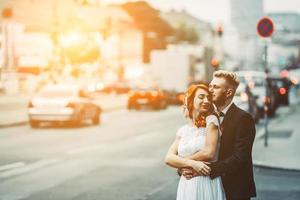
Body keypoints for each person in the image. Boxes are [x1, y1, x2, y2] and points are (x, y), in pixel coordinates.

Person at [181, 70, 257, 200]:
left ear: (228, 92)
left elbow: (239, 158)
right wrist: (184, 167)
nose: (210, 91)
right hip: (207, 188)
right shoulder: (206, 117)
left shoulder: (244, 118)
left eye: (215, 87)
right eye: (210, 86)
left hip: (234, 190)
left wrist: (203, 169)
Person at [165, 84, 226, 200]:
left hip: (206, 182)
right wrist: (192, 164)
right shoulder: (183, 130)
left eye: (208, 97)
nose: (206, 101)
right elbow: (168, 158)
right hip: (187, 184)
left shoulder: (211, 121)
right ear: (191, 100)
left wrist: (181, 163)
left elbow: (209, 152)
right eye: (201, 97)